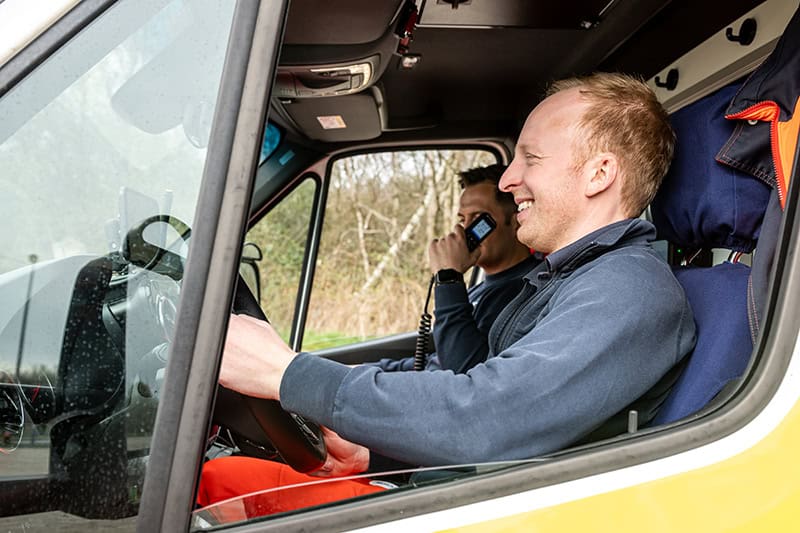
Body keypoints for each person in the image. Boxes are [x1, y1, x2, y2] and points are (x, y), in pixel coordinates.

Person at [198, 72, 697, 515]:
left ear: (599, 174)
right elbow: (485, 396)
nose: (509, 179)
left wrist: (282, 372)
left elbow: (489, 417)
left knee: (212, 482)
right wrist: (376, 454)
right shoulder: (563, 279)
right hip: (457, 490)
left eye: (531, 158)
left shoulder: (628, 288)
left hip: (487, 511)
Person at [375, 164, 540, 374]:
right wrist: (376, 370)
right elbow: (437, 361)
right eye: (463, 219)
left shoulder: (526, 292)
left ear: (516, 220)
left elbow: (466, 376)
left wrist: (448, 278)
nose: (465, 231)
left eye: (479, 218)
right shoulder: (480, 289)